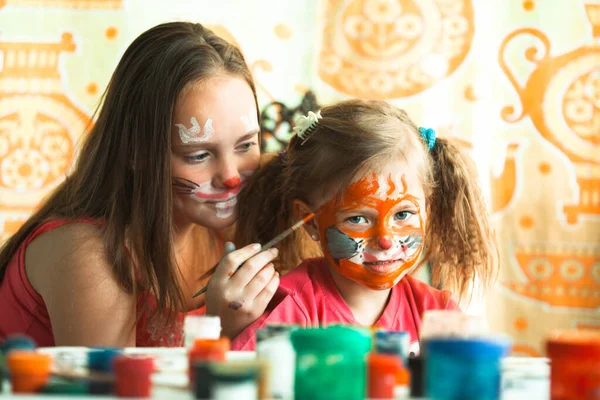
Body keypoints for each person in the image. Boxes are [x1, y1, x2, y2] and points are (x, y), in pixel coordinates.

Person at [0, 22, 279, 347]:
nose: (231, 176)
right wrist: (220, 335)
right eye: (199, 155)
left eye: (245, 145)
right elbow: (113, 395)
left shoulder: (223, 232)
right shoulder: (89, 256)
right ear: (136, 152)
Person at [232, 100, 499, 351]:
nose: (385, 239)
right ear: (310, 221)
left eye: (403, 214)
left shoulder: (437, 315)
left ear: (426, 211)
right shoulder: (289, 310)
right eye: (357, 218)